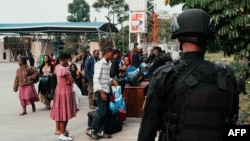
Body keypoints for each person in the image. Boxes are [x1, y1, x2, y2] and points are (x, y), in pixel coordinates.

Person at [138, 9, 239, 141]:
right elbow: (233, 125)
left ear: (179, 39)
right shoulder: (226, 75)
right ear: (208, 40)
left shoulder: (165, 75)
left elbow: (148, 127)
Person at [86, 47, 118, 140]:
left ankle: (101, 131)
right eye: (112, 54)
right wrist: (101, 91)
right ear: (107, 53)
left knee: (107, 111)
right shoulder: (99, 64)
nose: (113, 56)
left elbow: (106, 78)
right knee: (102, 111)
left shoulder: (109, 63)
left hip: (106, 89)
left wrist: (112, 80)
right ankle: (91, 129)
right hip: (101, 90)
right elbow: (96, 79)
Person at [50, 53, 77, 141]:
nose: (69, 61)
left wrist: (68, 81)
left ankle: (63, 132)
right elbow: (72, 80)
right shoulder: (64, 69)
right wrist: (69, 80)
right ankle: (62, 134)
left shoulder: (57, 67)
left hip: (59, 91)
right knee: (64, 114)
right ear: (65, 59)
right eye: (69, 59)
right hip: (65, 92)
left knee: (61, 113)